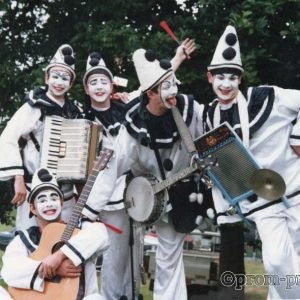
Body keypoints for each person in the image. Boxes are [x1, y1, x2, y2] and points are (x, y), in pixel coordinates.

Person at [81, 46, 205, 300]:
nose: (174, 92)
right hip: (150, 197)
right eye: (165, 87)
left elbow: (212, 132)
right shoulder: (132, 128)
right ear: (150, 93)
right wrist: (88, 211)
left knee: (170, 257)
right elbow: (111, 170)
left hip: (185, 194)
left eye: (174, 84)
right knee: (135, 257)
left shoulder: (192, 110)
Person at [203, 25, 300, 299]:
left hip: (296, 190)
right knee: (278, 262)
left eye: (232, 77)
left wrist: (297, 134)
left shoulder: (267, 97)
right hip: (263, 203)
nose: (226, 84)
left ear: (240, 79)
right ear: (209, 77)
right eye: (220, 77)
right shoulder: (209, 115)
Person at [0, 44, 81, 230]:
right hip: (34, 188)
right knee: (31, 241)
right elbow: (7, 137)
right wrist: (18, 178)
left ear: (70, 83)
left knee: (62, 244)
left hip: (65, 192)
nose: (59, 82)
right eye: (55, 76)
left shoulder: (74, 111)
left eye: (64, 78)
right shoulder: (34, 106)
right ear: (46, 77)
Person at [1, 168, 109, 299]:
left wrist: (58, 257)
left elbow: (101, 234)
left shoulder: (80, 230)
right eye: (42, 200)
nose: (49, 204)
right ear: (33, 208)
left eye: (54, 198)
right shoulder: (24, 238)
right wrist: (50, 269)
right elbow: (9, 270)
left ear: (62, 203)